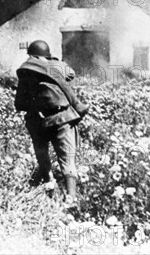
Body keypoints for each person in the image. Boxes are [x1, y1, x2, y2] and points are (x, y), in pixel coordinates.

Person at [14, 40, 89, 202]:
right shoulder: (57, 67)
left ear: (32, 55)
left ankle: (50, 190)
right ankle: (71, 198)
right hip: (62, 117)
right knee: (67, 158)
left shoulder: (25, 71)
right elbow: (70, 74)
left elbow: (19, 103)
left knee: (43, 158)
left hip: (37, 119)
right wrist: (54, 62)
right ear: (47, 55)